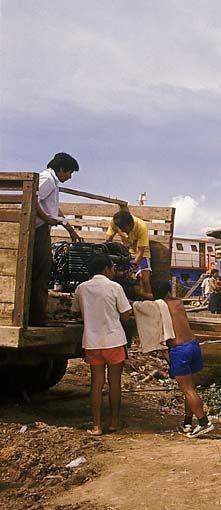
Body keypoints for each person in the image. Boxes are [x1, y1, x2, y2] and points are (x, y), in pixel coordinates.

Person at [71, 255, 132, 436]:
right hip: (114, 341)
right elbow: (126, 313)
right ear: (106, 269)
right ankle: (114, 422)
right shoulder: (115, 287)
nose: (114, 271)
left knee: (96, 383)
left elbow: (75, 312)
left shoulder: (81, 288)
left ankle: (96, 425)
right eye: (112, 267)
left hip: (92, 342)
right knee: (114, 383)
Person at [151, 280, 214, 438]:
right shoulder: (178, 302)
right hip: (192, 345)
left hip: (179, 349)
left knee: (187, 390)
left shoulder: (157, 307)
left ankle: (203, 422)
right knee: (191, 388)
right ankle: (187, 421)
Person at [32, 153, 82, 325]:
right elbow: (32, 200)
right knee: (41, 272)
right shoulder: (47, 179)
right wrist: (47, 219)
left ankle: (37, 315)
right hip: (37, 230)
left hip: (42, 229)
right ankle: (37, 318)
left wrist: (70, 229)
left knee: (43, 271)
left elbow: (53, 208)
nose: (69, 176)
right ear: (61, 169)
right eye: (69, 172)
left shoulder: (52, 181)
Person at [106, 210, 153, 299]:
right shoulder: (114, 222)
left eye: (125, 230)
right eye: (121, 230)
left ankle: (149, 301)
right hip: (125, 253)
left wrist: (132, 267)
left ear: (131, 224)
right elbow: (108, 240)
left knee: (144, 279)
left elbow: (140, 251)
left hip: (142, 253)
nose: (124, 232)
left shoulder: (141, 226)